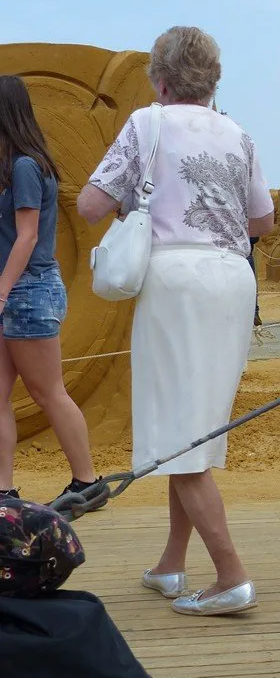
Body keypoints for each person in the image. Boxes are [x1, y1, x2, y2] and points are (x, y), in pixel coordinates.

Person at [77, 26, 274, 615]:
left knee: (178, 433)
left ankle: (232, 577)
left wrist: (142, 202)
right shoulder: (238, 133)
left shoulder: (148, 123)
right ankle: (171, 564)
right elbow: (262, 221)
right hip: (232, 278)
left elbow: (90, 205)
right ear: (213, 81)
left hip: (176, 280)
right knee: (193, 430)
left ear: (160, 81)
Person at [0, 76, 108, 515]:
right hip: (16, 291)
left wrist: (2, 291)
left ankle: (88, 481)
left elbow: (27, 236)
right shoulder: (14, 165)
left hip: (26, 291)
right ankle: (4, 490)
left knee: (48, 393)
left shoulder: (25, 166)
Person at [247, 236, 262, 327]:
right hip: (246, 253)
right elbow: (255, 238)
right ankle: (255, 312)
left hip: (227, 255)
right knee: (251, 285)